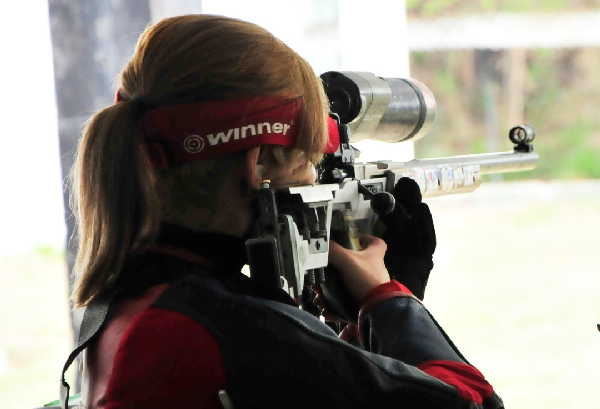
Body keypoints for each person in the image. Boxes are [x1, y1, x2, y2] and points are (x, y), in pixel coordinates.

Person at [68, 14, 503, 409]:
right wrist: (390, 302)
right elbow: (473, 404)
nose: (315, 179)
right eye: (309, 161)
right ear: (258, 163)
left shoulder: (128, 302)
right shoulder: (235, 331)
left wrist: (363, 322)